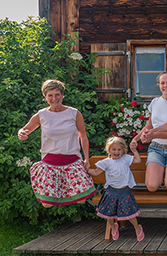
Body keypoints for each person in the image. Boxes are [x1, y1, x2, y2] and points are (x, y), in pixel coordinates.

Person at [17, 79, 96, 208]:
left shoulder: (74, 113)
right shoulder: (41, 115)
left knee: (81, 199)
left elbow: (83, 137)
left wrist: (86, 159)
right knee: (47, 204)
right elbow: (24, 130)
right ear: (45, 96)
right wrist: (21, 133)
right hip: (50, 162)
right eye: (50, 95)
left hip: (72, 160)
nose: (54, 98)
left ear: (62, 95)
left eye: (57, 94)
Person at [130, 72, 167, 194]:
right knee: (151, 186)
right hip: (156, 149)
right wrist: (136, 139)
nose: (166, 85)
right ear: (159, 85)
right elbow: (149, 125)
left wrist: (152, 135)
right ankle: (162, 172)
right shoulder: (155, 102)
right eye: (162, 83)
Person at [88, 136, 144, 241]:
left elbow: (137, 160)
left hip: (124, 191)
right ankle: (113, 227)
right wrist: (86, 169)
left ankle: (137, 228)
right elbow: (95, 172)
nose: (116, 152)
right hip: (111, 191)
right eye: (114, 149)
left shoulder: (126, 158)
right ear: (109, 150)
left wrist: (134, 151)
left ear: (123, 150)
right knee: (109, 214)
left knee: (130, 213)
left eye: (119, 149)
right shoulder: (106, 162)